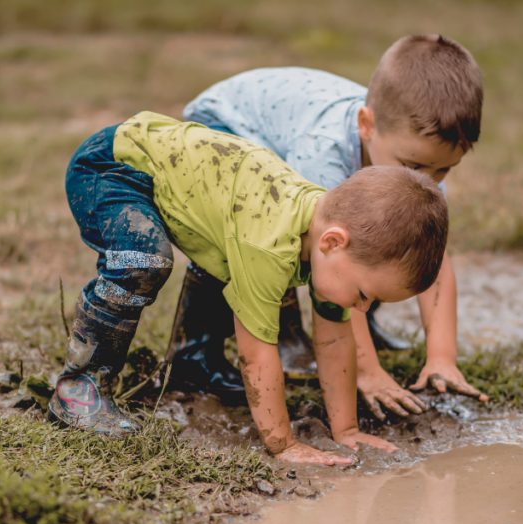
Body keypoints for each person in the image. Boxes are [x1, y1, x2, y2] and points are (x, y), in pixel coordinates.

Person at [50, 112, 448, 465]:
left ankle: (193, 365)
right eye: (365, 294)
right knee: (144, 259)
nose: (362, 308)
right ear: (332, 242)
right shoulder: (269, 245)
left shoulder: (327, 240)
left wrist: (345, 432)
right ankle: (78, 387)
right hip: (114, 166)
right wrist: (283, 444)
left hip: (175, 181)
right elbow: (256, 354)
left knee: (227, 261)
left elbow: (333, 340)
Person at [177, 34, 488, 418]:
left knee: (385, 244)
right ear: (367, 126)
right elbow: (336, 258)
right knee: (274, 239)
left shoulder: (413, 156)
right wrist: (367, 373)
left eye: (444, 169)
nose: (430, 179)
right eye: (415, 167)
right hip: (227, 128)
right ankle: (227, 348)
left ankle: (362, 330)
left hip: (281, 130)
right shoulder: (323, 152)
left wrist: (442, 357)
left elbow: (432, 258)